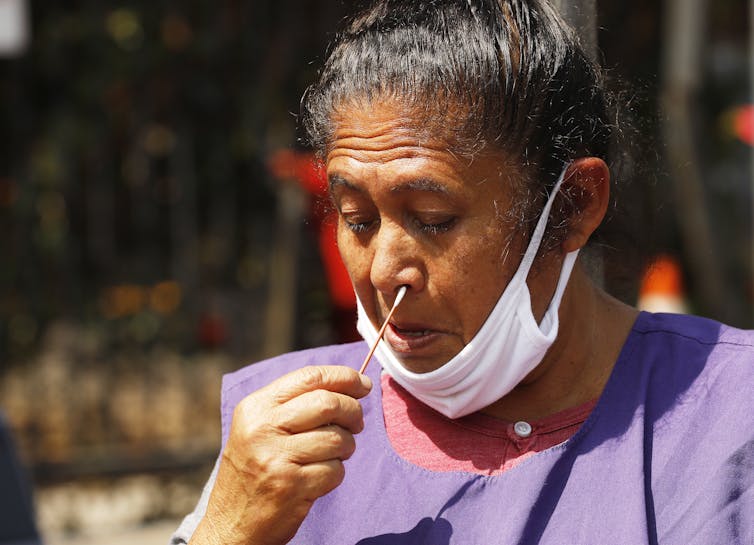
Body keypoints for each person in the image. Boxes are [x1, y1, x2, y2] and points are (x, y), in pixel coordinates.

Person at [172, 1, 754, 543]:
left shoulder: (726, 409)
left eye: (433, 219)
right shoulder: (275, 442)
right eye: (357, 219)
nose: (383, 271)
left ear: (572, 206)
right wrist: (227, 525)